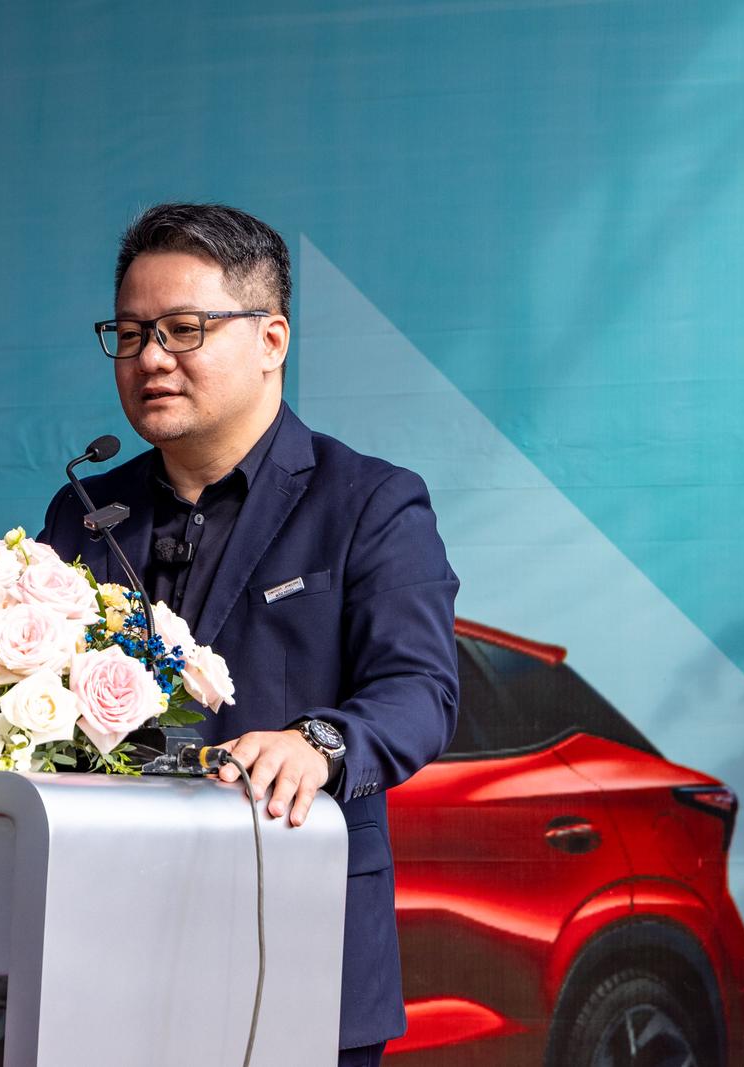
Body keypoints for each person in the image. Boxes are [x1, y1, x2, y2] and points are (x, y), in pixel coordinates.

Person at [39, 203, 460, 1066]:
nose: (151, 357)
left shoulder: (368, 503)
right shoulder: (86, 511)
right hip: (105, 953)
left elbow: (419, 690)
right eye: (129, 334)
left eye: (183, 329)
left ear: (272, 339)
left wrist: (320, 742)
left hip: (294, 941)